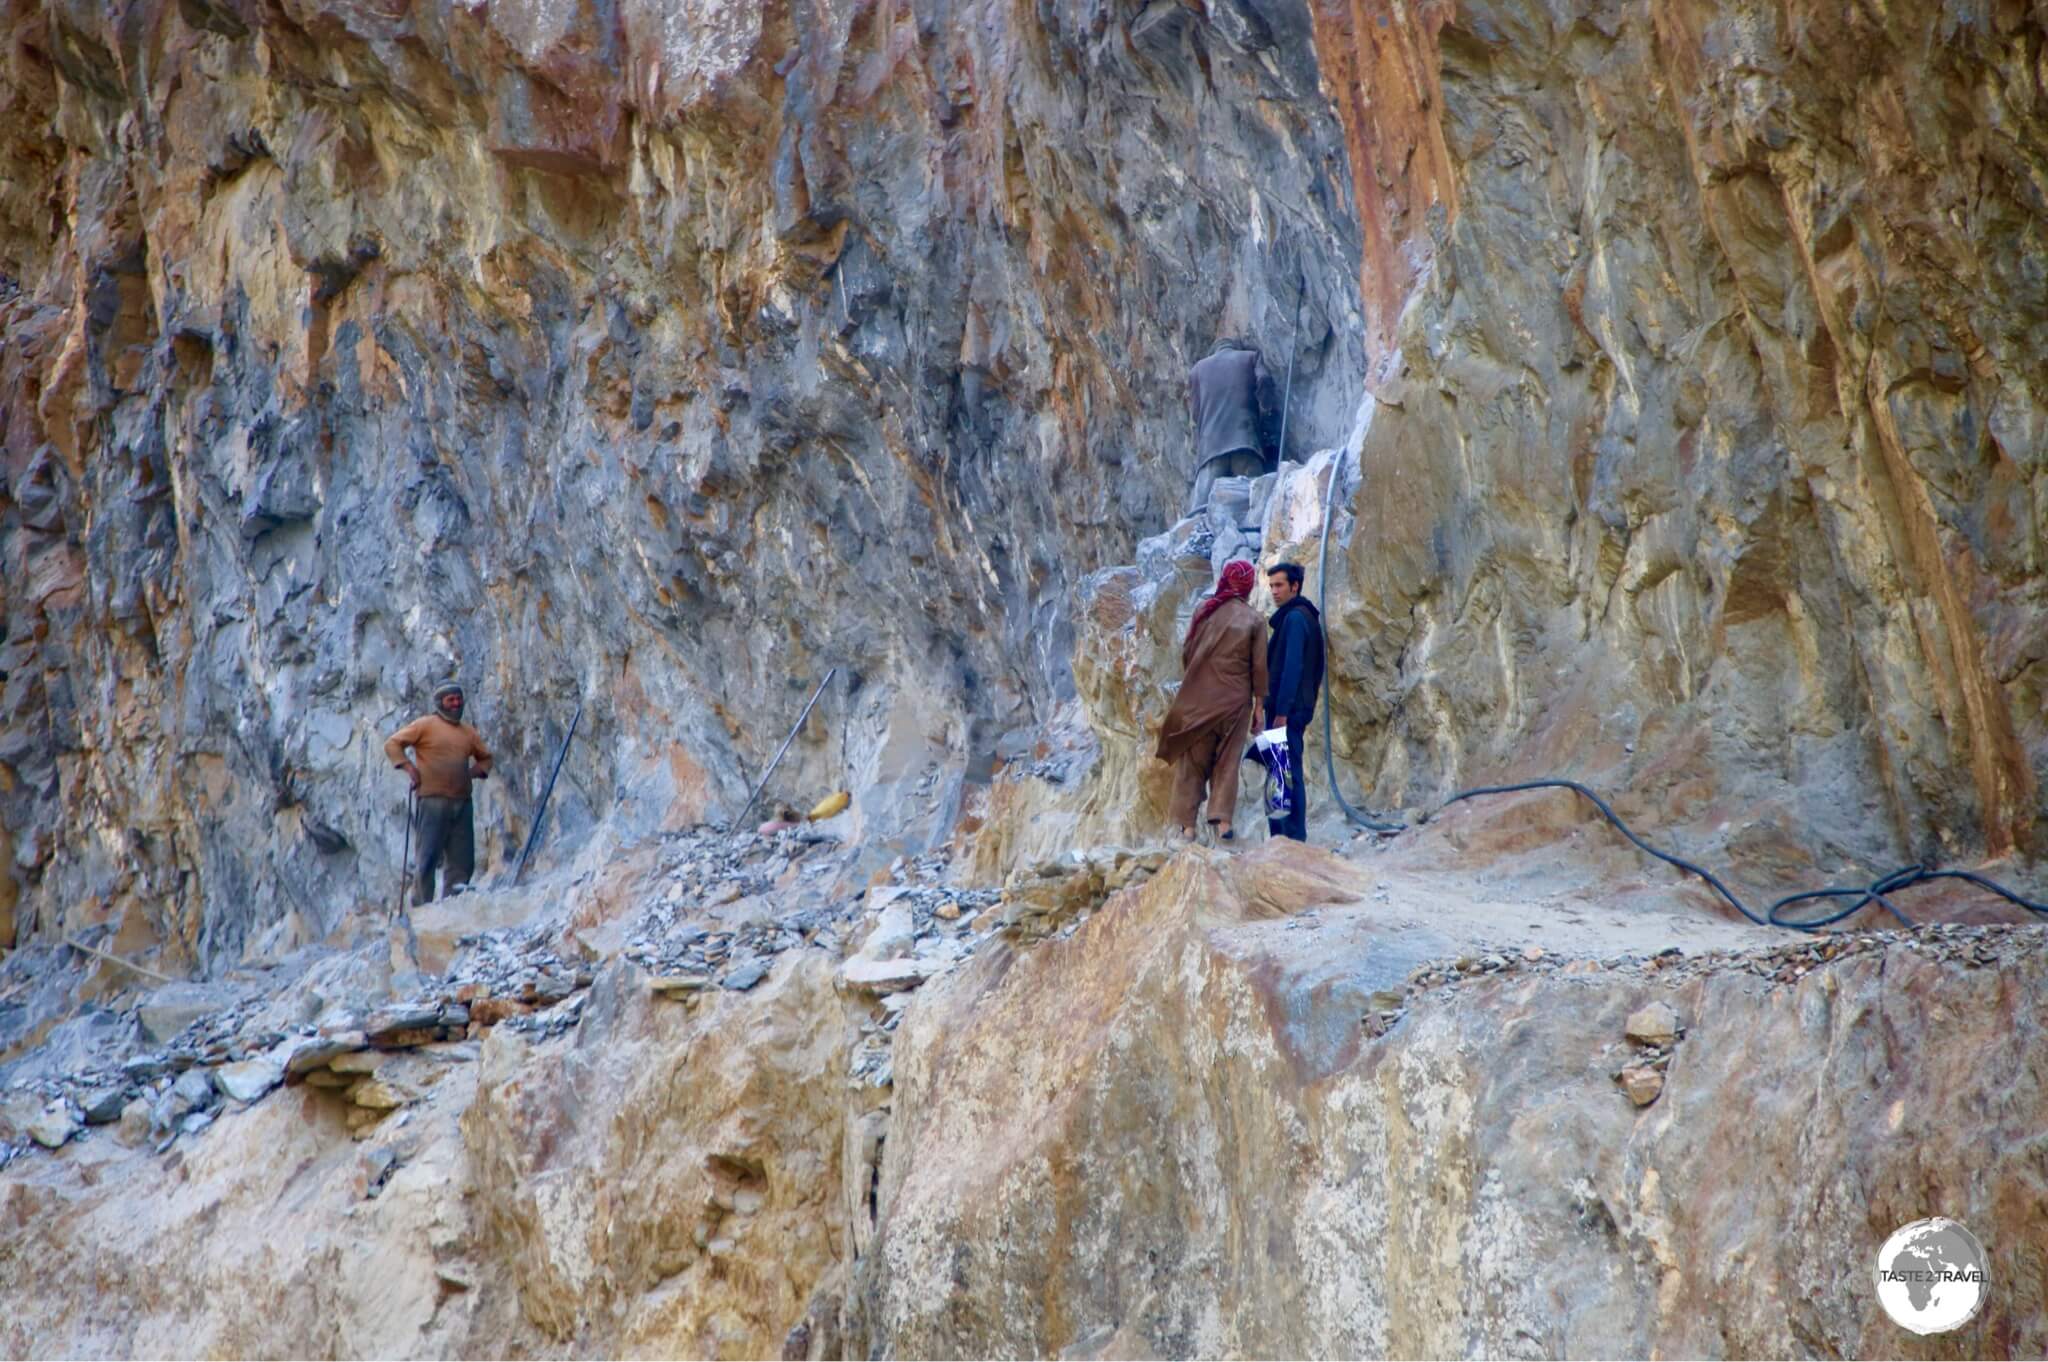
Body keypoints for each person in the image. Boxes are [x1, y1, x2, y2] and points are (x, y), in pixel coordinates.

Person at [1156, 560, 1269, 844]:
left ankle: (1188, 827)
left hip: (1201, 701)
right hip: (1235, 702)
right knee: (1227, 762)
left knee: (1192, 763)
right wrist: (1259, 707)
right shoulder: (1254, 620)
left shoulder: (1204, 612)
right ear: (1248, 585)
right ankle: (1223, 823)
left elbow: (1187, 654)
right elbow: (1259, 668)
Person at [384, 680, 493, 904]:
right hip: (432, 801)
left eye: (458, 698)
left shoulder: (468, 732)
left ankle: (454, 904)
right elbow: (393, 744)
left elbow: (486, 758)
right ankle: (422, 907)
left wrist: (471, 773)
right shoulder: (425, 725)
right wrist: (409, 768)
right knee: (428, 856)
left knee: (462, 859)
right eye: (450, 699)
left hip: (462, 803)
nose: (456, 703)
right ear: (439, 703)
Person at [1264, 562, 1325, 842]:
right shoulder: (1299, 617)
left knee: (1283, 773)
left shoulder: (1296, 619)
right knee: (1282, 771)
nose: (1274, 591)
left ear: (1295, 586)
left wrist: (1282, 711)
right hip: (1288, 708)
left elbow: (1293, 667)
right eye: (1272, 585)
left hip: (1285, 711)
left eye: (1280, 585)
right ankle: (1285, 837)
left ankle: (1288, 838)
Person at [1185, 339, 1273, 516]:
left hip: (1211, 451)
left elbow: (1195, 413)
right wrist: (1265, 409)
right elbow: (1263, 379)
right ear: (1235, 347)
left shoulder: (1198, 370)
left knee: (1198, 515)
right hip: (1245, 444)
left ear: (1214, 351)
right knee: (1257, 503)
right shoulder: (1251, 357)